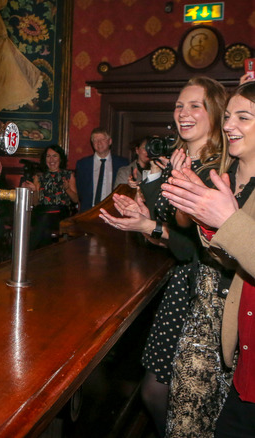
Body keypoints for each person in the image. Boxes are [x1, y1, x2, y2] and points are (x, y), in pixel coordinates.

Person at [99, 76, 229, 437]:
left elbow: (195, 246)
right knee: (161, 394)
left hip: (205, 292)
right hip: (181, 286)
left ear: (216, 113)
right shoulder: (183, 161)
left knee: (173, 399)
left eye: (194, 106)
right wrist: (145, 219)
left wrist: (149, 226)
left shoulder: (219, 169)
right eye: (178, 105)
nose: (182, 113)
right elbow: (178, 240)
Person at [161, 81, 255, 438]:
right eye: (228, 116)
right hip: (225, 322)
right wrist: (198, 211)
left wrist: (220, 220)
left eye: (242, 117)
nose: (229, 124)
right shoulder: (225, 176)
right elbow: (218, 253)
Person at [21, 145, 78, 249]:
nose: (51, 159)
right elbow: (36, 203)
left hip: (60, 213)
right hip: (42, 211)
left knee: (44, 221)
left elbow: (75, 200)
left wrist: (67, 189)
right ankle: (43, 260)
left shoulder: (68, 175)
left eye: (54, 156)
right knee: (45, 227)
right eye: (48, 156)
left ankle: (26, 252)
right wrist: (34, 191)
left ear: (60, 158)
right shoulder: (39, 177)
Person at [75, 127, 129, 211]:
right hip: (89, 211)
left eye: (102, 139)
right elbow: (80, 191)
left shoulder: (122, 163)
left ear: (109, 141)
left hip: (114, 209)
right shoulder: (83, 164)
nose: (99, 143)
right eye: (95, 140)